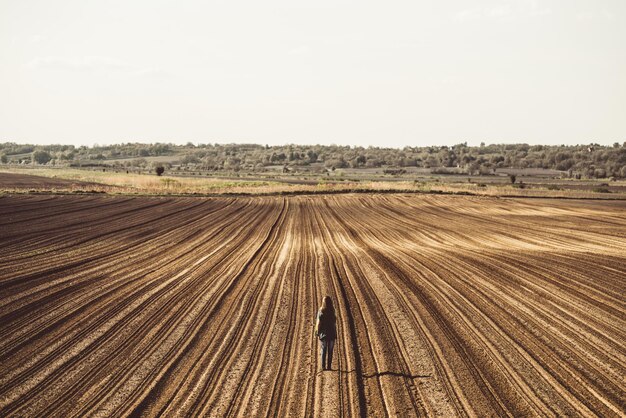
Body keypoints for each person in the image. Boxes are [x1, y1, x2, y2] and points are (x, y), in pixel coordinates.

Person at [315, 296, 337, 371]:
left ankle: (323, 366)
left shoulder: (321, 311)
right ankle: (329, 366)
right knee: (330, 350)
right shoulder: (332, 311)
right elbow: (334, 322)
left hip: (323, 333)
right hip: (331, 333)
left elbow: (318, 323)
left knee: (323, 349)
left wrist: (317, 332)